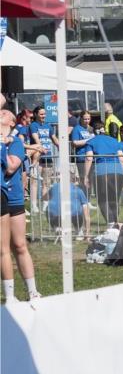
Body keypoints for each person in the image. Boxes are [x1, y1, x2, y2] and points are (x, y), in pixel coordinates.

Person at [1, 109, 41, 301]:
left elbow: (10, 167)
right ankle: (10, 296)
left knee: (19, 244)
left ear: (11, 122)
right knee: (3, 248)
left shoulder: (15, 142)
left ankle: (32, 291)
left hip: (14, 197)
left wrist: (2, 145)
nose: (1, 114)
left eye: (4, 113)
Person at [85, 126, 123, 227]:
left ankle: (111, 223)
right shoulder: (114, 141)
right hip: (117, 170)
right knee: (114, 199)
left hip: (101, 171)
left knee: (102, 199)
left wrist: (86, 176)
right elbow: (121, 158)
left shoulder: (91, 141)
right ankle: (115, 223)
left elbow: (88, 158)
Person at [44, 172, 90, 238]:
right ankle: (78, 230)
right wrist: (87, 232)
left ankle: (57, 227)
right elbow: (86, 214)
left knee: (48, 208)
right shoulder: (78, 190)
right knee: (81, 208)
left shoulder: (54, 187)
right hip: (74, 216)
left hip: (54, 216)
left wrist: (46, 186)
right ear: (73, 180)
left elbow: (44, 198)